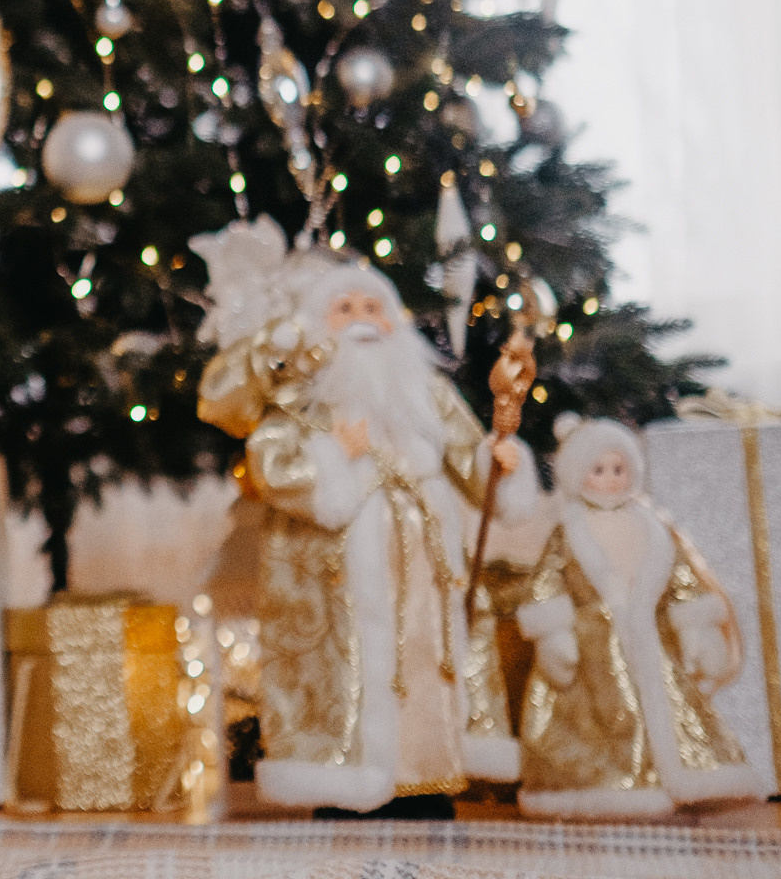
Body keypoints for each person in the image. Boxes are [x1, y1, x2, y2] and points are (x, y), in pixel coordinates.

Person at [194, 224, 538, 814]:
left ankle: (428, 778)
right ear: (320, 324)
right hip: (334, 581)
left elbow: (470, 457)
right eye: (344, 307)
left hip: (427, 581)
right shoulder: (302, 399)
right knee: (348, 673)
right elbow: (270, 463)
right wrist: (335, 455)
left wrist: (499, 462)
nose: (361, 317)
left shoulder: (428, 395)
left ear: (395, 321)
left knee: (429, 669)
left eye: (373, 306)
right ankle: (346, 786)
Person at [512, 416, 759, 818]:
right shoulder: (569, 531)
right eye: (599, 470)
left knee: (668, 705)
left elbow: (682, 579)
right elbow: (546, 583)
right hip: (592, 655)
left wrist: (696, 629)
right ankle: (613, 785)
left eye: (619, 469)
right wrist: (553, 634)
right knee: (603, 719)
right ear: (578, 475)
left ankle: (679, 778)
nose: (610, 479)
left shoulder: (653, 527)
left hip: (653, 644)